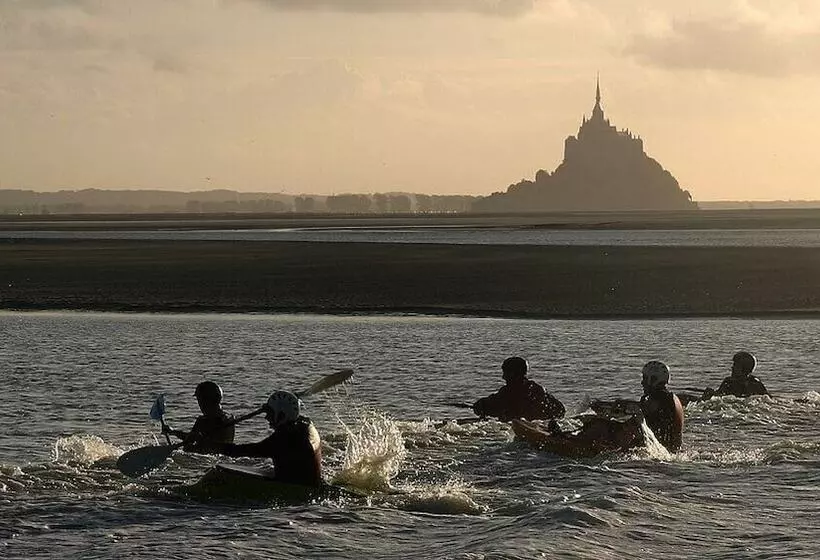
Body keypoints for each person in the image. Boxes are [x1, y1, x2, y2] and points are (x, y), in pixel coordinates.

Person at [214, 391, 323, 487]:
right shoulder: (305, 426)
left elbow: (249, 450)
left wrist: (216, 447)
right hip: (308, 483)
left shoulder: (283, 440)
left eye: (270, 413)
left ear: (281, 415)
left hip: (295, 488)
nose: (266, 417)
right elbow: (296, 415)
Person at [472, 356, 565, 421]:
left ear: (513, 374)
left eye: (506, 373)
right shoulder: (538, 389)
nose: (503, 377)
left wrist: (481, 406)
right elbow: (560, 411)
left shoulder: (507, 393)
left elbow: (491, 405)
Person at [512, 414, 645, 458]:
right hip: (585, 445)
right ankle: (560, 434)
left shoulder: (635, 443)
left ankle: (560, 434)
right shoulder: (602, 427)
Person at [163, 381, 235, 453]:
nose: (200, 404)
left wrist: (198, 440)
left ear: (206, 401)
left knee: (188, 448)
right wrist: (173, 432)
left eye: (200, 400)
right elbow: (189, 439)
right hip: (215, 454)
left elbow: (215, 445)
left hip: (208, 456)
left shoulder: (208, 421)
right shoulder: (229, 418)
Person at [639, 361, 684, 453]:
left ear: (653, 379)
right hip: (673, 451)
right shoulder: (673, 398)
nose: (642, 382)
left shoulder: (656, 400)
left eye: (645, 378)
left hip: (661, 451)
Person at [702, 351, 769, 399]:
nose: (732, 367)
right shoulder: (756, 383)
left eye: (735, 365)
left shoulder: (729, 382)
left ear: (743, 368)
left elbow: (717, 397)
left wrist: (709, 395)